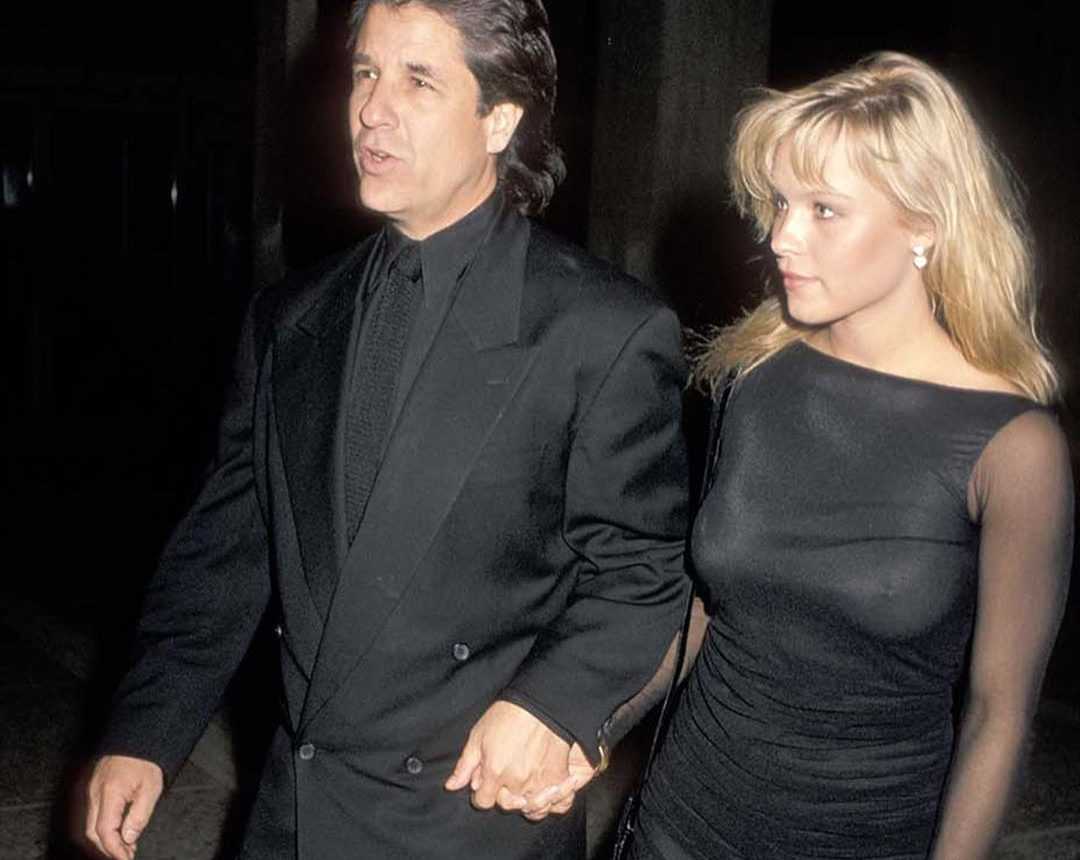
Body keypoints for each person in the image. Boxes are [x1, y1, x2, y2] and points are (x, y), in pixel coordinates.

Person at [81, 1, 691, 858]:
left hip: (469, 817)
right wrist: (146, 729)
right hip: (294, 813)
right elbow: (226, 550)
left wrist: (555, 704)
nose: (371, 109)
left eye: (418, 81)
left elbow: (645, 572)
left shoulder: (599, 330)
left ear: (499, 120)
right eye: (365, 73)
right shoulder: (290, 316)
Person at [624, 52, 1074, 859]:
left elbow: (999, 716)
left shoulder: (1013, 448)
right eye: (780, 202)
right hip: (678, 823)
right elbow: (703, 606)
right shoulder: (755, 375)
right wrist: (586, 726)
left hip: (863, 837)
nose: (781, 237)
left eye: (824, 210)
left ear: (925, 225)